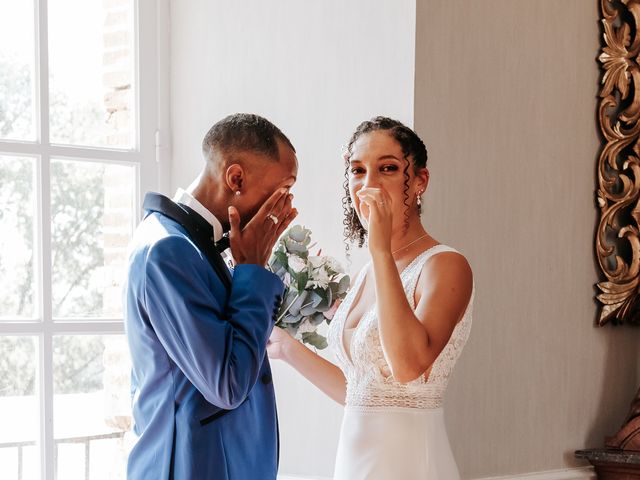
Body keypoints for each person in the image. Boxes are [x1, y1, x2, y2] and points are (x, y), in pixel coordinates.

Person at [268, 116, 474, 479]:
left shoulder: (445, 266)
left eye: (388, 169)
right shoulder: (368, 274)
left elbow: (409, 366)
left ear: (420, 181)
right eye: (357, 171)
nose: (368, 185)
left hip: (411, 464)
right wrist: (286, 349)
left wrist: (380, 250)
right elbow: (360, 392)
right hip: (355, 465)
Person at [124, 113, 298, 479]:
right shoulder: (167, 249)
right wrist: (252, 273)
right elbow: (227, 384)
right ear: (236, 178)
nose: (284, 208)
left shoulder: (186, 242)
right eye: (282, 191)